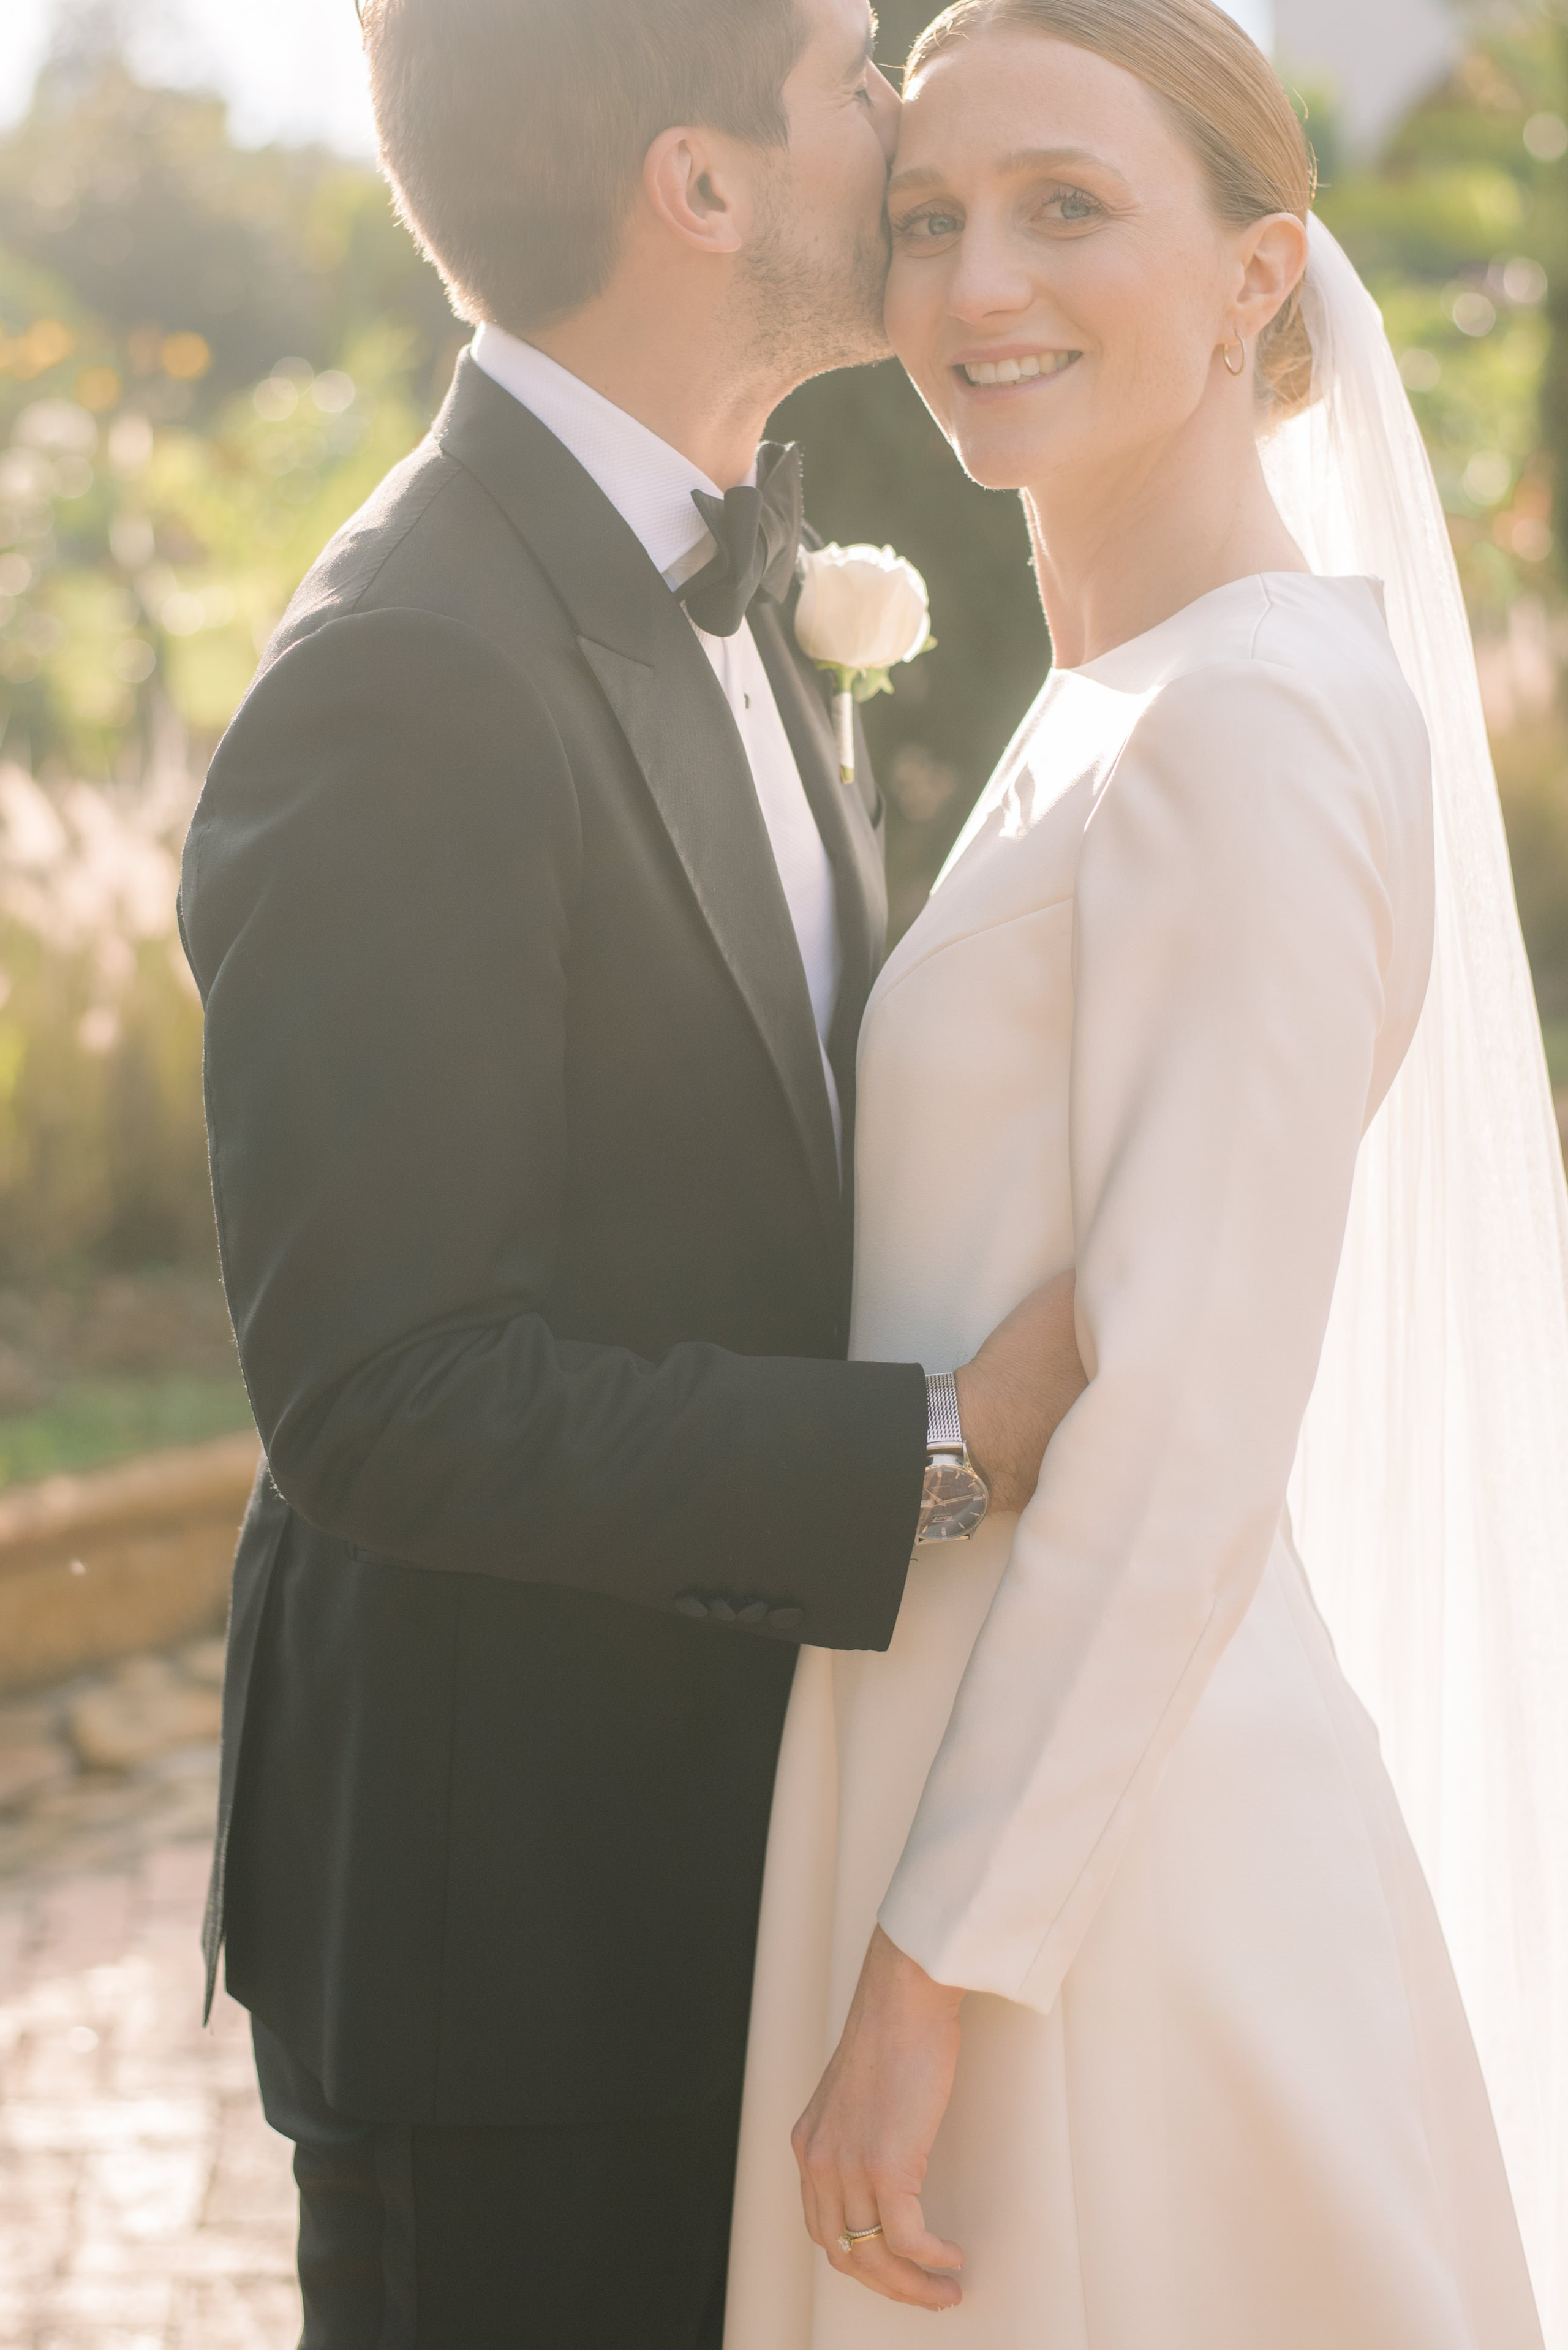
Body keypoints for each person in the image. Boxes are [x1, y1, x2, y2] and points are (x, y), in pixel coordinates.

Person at [177, 0, 1085, 2341]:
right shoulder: (406, 677)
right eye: (843, 71)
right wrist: (941, 1454)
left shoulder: (718, 557)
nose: (895, 115)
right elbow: (388, 1387)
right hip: (515, 1965)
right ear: (699, 187)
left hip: (735, 1871)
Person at [723, 1, 1568, 2343]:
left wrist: (929, 1976)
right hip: (971, 1769)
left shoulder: (1255, 724)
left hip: (1096, 1888)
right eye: (929, 219)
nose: (975, 283)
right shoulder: (1122, 698)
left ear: (1258, 275)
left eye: (1067, 208)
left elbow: (1190, 1419)